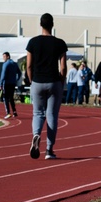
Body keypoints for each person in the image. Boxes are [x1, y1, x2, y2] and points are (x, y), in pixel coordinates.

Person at [25, 12, 68, 160]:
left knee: (37, 113)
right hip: (53, 81)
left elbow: (29, 66)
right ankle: (49, 149)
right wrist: (61, 82)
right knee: (52, 115)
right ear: (52, 24)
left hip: (37, 81)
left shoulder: (33, 42)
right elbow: (63, 67)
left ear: (40, 25)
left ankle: (36, 134)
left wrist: (32, 81)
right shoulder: (60, 43)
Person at [0, 52, 21, 119]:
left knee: (5, 98)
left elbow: (3, 74)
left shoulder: (6, 64)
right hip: (12, 83)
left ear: (8, 56)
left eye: (4, 56)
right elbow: (19, 73)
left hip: (6, 83)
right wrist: (16, 79)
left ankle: (8, 112)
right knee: (11, 97)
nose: (3, 58)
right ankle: (14, 111)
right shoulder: (14, 64)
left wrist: (0, 83)